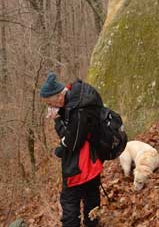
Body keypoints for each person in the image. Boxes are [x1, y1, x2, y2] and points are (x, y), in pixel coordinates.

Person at [40, 72, 103, 227]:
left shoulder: (79, 110)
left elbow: (71, 142)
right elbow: (74, 130)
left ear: (59, 97)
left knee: (69, 204)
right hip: (93, 161)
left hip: (79, 166)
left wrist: (57, 121)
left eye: (50, 103)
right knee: (92, 197)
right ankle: (92, 223)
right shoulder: (78, 98)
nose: (50, 107)